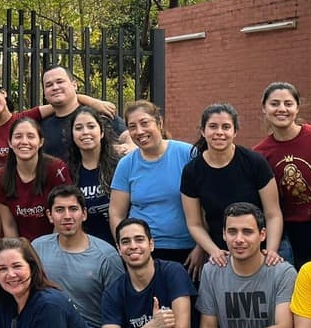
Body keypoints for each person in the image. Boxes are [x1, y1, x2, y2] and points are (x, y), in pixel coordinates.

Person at [181, 103, 285, 271]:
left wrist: (271, 251)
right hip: (221, 253)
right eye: (213, 126)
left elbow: (273, 214)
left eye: (226, 127)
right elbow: (194, 223)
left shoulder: (255, 163)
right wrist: (213, 251)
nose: (219, 132)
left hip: (262, 250)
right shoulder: (192, 171)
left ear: (235, 132)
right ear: (203, 131)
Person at [253, 82, 311, 266]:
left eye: (288, 104)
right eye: (274, 104)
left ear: (297, 108)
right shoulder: (260, 154)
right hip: (289, 234)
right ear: (264, 109)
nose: (281, 109)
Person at [109, 101, 194, 264]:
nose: (139, 131)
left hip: (187, 251)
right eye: (132, 126)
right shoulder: (126, 164)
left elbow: (206, 204)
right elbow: (116, 213)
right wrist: (124, 247)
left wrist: (201, 247)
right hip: (142, 252)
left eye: (144, 123)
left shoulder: (188, 154)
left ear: (159, 123)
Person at [31, 186, 125, 328]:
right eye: (59, 210)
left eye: (73, 209)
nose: (67, 216)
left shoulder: (107, 256)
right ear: (50, 215)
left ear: (84, 214)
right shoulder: (37, 248)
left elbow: (118, 309)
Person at [0, 116, 74, 243]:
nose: (24, 141)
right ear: (9, 142)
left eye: (31, 136)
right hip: (22, 248)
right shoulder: (1, 176)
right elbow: (9, 225)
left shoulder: (56, 169)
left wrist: (48, 252)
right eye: (18, 136)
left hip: (56, 243)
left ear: (41, 142)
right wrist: (19, 254)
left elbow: (63, 217)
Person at [30, 66, 123, 161]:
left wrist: (129, 145)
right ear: (45, 93)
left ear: (74, 85)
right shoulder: (40, 127)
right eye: (49, 85)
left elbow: (127, 135)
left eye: (60, 82)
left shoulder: (100, 114)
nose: (55, 87)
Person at [65, 106, 121, 243]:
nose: (85, 132)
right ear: (72, 135)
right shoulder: (66, 171)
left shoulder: (120, 166)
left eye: (91, 126)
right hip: (83, 249)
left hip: (118, 245)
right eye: (78, 128)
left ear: (101, 132)